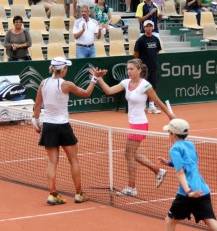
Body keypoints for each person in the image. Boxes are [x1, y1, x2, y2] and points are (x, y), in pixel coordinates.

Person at [94, 59, 175, 196]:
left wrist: (170, 116)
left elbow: (158, 102)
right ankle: (157, 171)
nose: (128, 71)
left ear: (139, 71)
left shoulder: (145, 85)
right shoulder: (126, 83)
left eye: (131, 69)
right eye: (128, 69)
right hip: (132, 123)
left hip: (140, 124)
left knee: (129, 154)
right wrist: (98, 78)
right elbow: (109, 91)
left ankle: (132, 188)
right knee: (131, 153)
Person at [32, 56, 106, 205]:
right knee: (74, 160)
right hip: (63, 126)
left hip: (48, 125)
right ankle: (79, 194)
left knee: (52, 162)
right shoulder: (66, 84)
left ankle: (52, 195)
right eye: (66, 68)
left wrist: (36, 121)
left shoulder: (43, 83)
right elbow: (86, 93)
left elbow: (38, 104)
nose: (67, 70)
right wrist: (94, 79)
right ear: (63, 69)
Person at [157, 118, 217, 231]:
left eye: (169, 132)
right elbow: (188, 163)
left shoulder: (174, 149)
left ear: (173, 134)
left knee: (170, 221)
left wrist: (188, 192)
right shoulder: (190, 144)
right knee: (213, 224)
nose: (168, 135)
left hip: (188, 193)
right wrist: (169, 163)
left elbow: (180, 172)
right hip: (203, 189)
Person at [134, 20, 162, 114]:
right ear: (144, 28)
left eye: (150, 26)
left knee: (152, 87)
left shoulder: (156, 39)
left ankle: (151, 106)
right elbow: (136, 54)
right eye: (147, 26)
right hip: (144, 70)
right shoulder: (140, 40)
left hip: (153, 67)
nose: (149, 28)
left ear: (152, 28)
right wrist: (141, 66)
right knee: (142, 87)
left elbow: (157, 51)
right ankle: (141, 106)